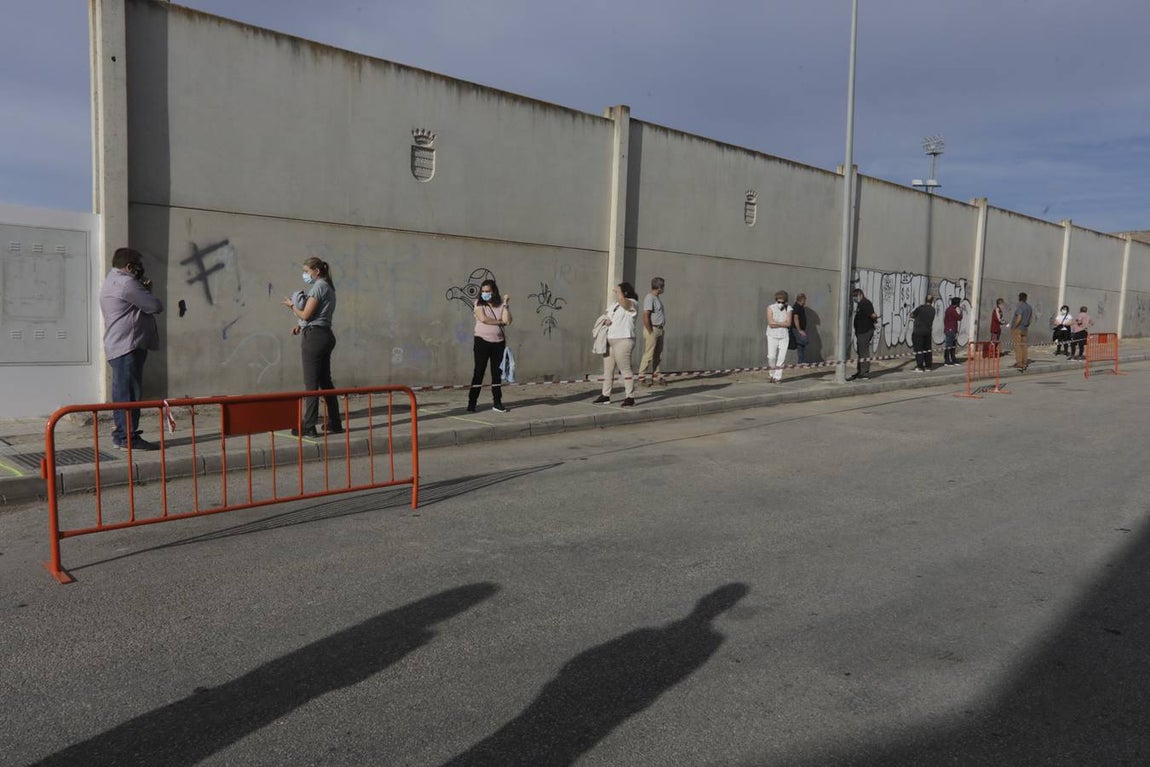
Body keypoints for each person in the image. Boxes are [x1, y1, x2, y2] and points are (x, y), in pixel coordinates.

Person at [99, 247, 164, 450]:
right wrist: (148, 290)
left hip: (120, 345)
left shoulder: (112, 280)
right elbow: (155, 306)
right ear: (129, 266)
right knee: (129, 394)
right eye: (138, 266)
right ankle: (127, 437)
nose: (140, 269)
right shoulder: (127, 283)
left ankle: (122, 435)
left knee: (122, 393)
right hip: (128, 346)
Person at [282, 257, 343, 435]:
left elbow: (306, 315)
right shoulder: (328, 286)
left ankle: (308, 426)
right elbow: (317, 315)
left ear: (317, 271)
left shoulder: (318, 287)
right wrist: (300, 326)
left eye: (307, 271)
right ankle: (335, 422)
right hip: (325, 335)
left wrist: (292, 306)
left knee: (311, 384)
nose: (305, 275)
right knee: (325, 382)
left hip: (315, 338)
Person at [464, 278, 512, 413]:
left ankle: (497, 402)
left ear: (494, 291)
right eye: (483, 291)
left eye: (488, 291)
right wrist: (500, 321)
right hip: (482, 341)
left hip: (499, 343)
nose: (485, 293)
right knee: (479, 372)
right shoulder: (479, 303)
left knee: (497, 373)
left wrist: (506, 304)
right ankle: (472, 403)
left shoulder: (501, 304)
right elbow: (483, 319)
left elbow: (508, 321)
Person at [593, 282, 639, 406]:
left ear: (625, 292)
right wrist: (605, 321)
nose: (616, 293)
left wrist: (619, 293)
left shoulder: (632, 302)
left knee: (625, 369)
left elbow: (625, 303)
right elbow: (609, 317)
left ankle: (630, 397)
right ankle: (605, 395)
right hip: (610, 339)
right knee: (608, 370)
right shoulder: (615, 304)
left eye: (618, 291)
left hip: (624, 339)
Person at [637, 277, 667, 386]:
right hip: (652, 329)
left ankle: (656, 376)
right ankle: (641, 377)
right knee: (649, 354)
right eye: (663, 287)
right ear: (659, 287)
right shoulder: (650, 298)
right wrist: (650, 331)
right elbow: (645, 316)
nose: (664, 289)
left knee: (658, 355)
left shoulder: (656, 298)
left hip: (659, 329)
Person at [765, 290, 792, 383]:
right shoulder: (770, 308)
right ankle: (771, 374)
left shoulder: (789, 308)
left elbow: (788, 323)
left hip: (784, 336)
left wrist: (776, 323)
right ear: (776, 300)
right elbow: (770, 323)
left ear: (786, 301)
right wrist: (782, 323)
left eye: (782, 302)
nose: (780, 304)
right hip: (772, 335)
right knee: (771, 357)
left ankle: (777, 377)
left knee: (781, 358)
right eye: (778, 301)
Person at [850, 288, 877, 380]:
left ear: (860, 294)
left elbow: (873, 315)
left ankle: (864, 372)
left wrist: (875, 319)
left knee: (864, 352)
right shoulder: (860, 304)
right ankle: (860, 371)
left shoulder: (865, 303)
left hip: (865, 331)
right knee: (860, 352)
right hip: (861, 331)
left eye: (855, 296)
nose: (854, 298)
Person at [910, 295, 935, 371]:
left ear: (925, 300)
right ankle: (928, 366)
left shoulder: (921, 308)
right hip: (928, 331)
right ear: (932, 301)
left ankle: (920, 366)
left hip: (918, 331)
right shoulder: (933, 310)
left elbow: (912, 315)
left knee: (919, 349)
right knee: (927, 349)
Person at [1011, 292, 1033, 370]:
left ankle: (1019, 363)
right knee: (1024, 346)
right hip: (1025, 329)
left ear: (1019, 298)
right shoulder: (1029, 307)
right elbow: (1030, 319)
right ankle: (1024, 361)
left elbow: (1019, 317)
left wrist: (1014, 327)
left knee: (1018, 346)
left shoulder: (1020, 307)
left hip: (1018, 328)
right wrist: (1026, 325)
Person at [943, 297, 964, 366]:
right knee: (949, 345)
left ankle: (952, 358)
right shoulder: (951, 310)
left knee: (952, 345)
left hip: (952, 329)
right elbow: (959, 317)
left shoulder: (949, 309)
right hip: (950, 329)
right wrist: (960, 311)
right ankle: (947, 360)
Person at [791, 293, 810, 364]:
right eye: (804, 299)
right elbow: (796, 319)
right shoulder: (796, 307)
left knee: (801, 345)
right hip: (797, 330)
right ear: (801, 299)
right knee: (803, 341)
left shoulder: (801, 307)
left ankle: (801, 362)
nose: (805, 301)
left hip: (800, 329)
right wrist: (799, 330)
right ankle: (801, 362)